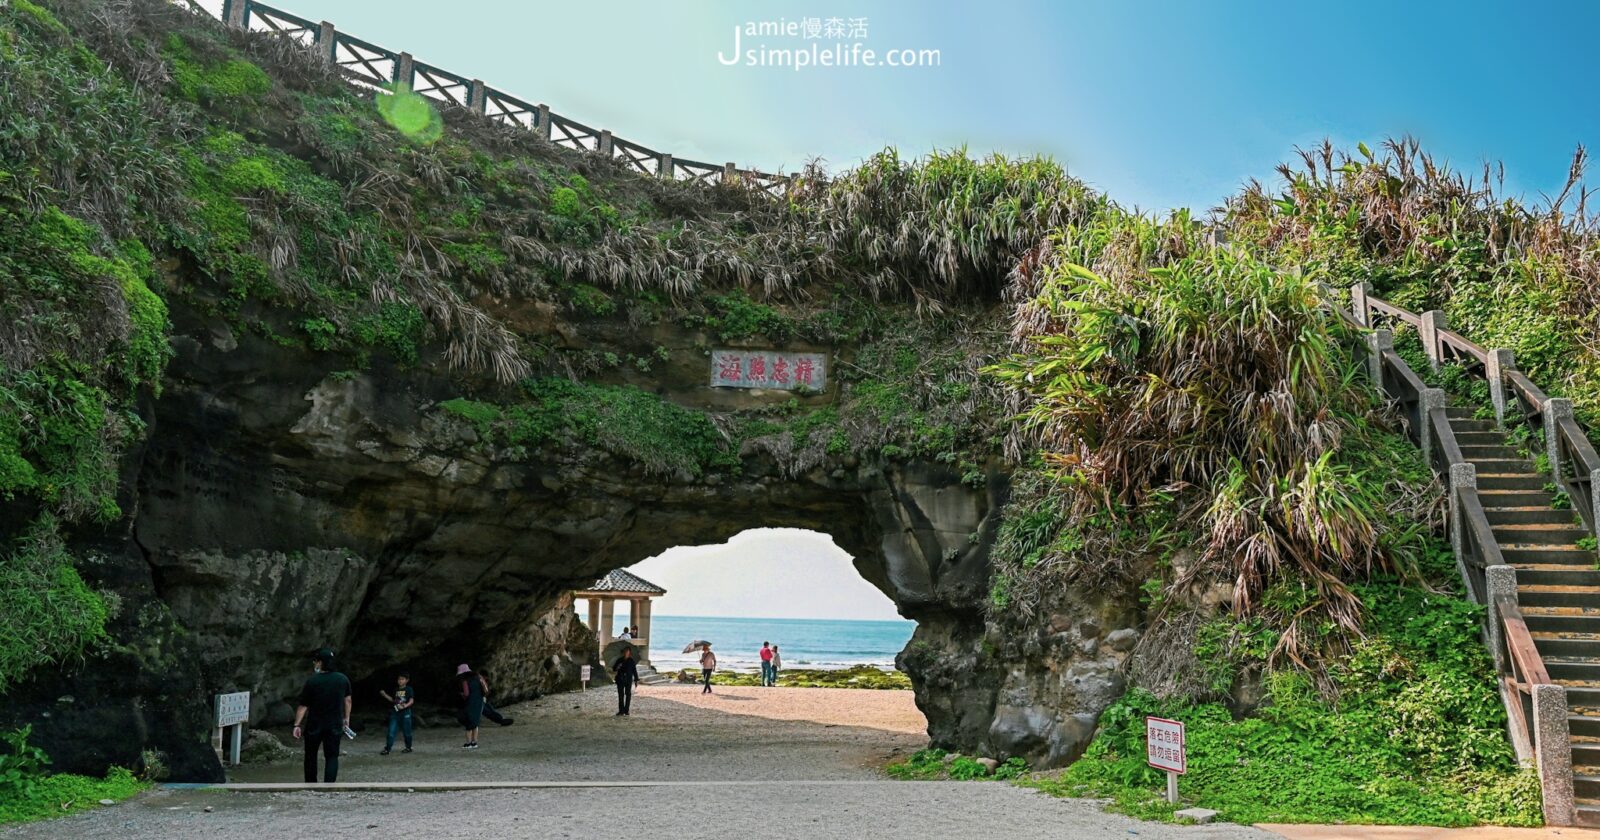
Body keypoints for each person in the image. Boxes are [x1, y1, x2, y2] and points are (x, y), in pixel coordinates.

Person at [292, 647, 352, 783]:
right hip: (335, 723)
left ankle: (311, 783)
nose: (314, 664)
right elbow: (348, 700)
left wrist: (297, 725)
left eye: (315, 661)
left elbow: (303, 706)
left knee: (311, 755)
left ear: (320, 662)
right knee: (332, 756)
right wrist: (346, 718)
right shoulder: (342, 679)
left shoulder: (312, 681)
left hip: (315, 724)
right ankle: (329, 785)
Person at [379, 672, 415, 755]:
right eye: (399, 679)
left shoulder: (409, 689)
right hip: (395, 712)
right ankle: (387, 749)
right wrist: (384, 695)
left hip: (406, 712)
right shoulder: (396, 690)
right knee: (391, 731)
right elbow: (393, 700)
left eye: (402, 679)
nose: (400, 681)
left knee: (407, 732)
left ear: (407, 680)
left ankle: (408, 747)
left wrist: (405, 705)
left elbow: (411, 700)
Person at [456, 663, 485, 749]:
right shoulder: (478, 677)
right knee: (475, 723)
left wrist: (461, 695)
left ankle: (468, 743)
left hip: (470, 703)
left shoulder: (465, 681)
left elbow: (466, 694)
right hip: (479, 702)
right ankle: (474, 742)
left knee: (469, 723)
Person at [613, 646, 639, 716]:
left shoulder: (631, 661)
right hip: (620, 679)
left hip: (628, 680)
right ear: (623, 652)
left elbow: (634, 671)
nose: (626, 653)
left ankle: (626, 711)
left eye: (627, 651)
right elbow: (614, 669)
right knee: (620, 695)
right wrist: (618, 666)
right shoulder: (619, 660)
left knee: (628, 695)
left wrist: (636, 680)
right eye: (625, 651)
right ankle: (621, 711)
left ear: (630, 652)